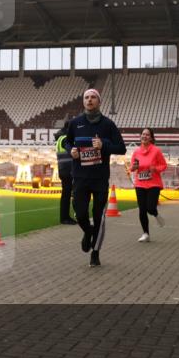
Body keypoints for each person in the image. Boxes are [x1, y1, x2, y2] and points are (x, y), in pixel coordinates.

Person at [63, 88, 126, 267]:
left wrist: (103, 145)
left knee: (99, 216)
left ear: (99, 102)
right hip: (80, 177)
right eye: (86, 97)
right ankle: (88, 231)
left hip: (99, 178)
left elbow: (121, 148)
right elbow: (67, 142)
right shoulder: (75, 123)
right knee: (80, 213)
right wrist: (71, 151)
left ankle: (95, 252)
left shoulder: (108, 124)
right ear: (83, 102)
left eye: (93, 98)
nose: (89, 100)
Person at [130, 127, 167, 243]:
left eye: (147, 135)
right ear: (140, 136)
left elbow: (164, 165)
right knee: (142, 210)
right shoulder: (136, 152)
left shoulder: (156, 151)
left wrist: (155, 168)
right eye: (143, 134)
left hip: (153, 183)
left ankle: (155, 214)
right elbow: (132, 167)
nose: (144, 136)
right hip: (140, 183)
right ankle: (146, 234)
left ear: (151, 138)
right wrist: (134, 167)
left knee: (150, 208)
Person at [54, 123, 76, 225]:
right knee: (70, 194)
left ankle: (65, 217)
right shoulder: (65, 139)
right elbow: (71, 151)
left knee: (66, 195)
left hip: (63, 170)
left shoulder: (60, 138)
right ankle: (66, 217)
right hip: (69, 170)